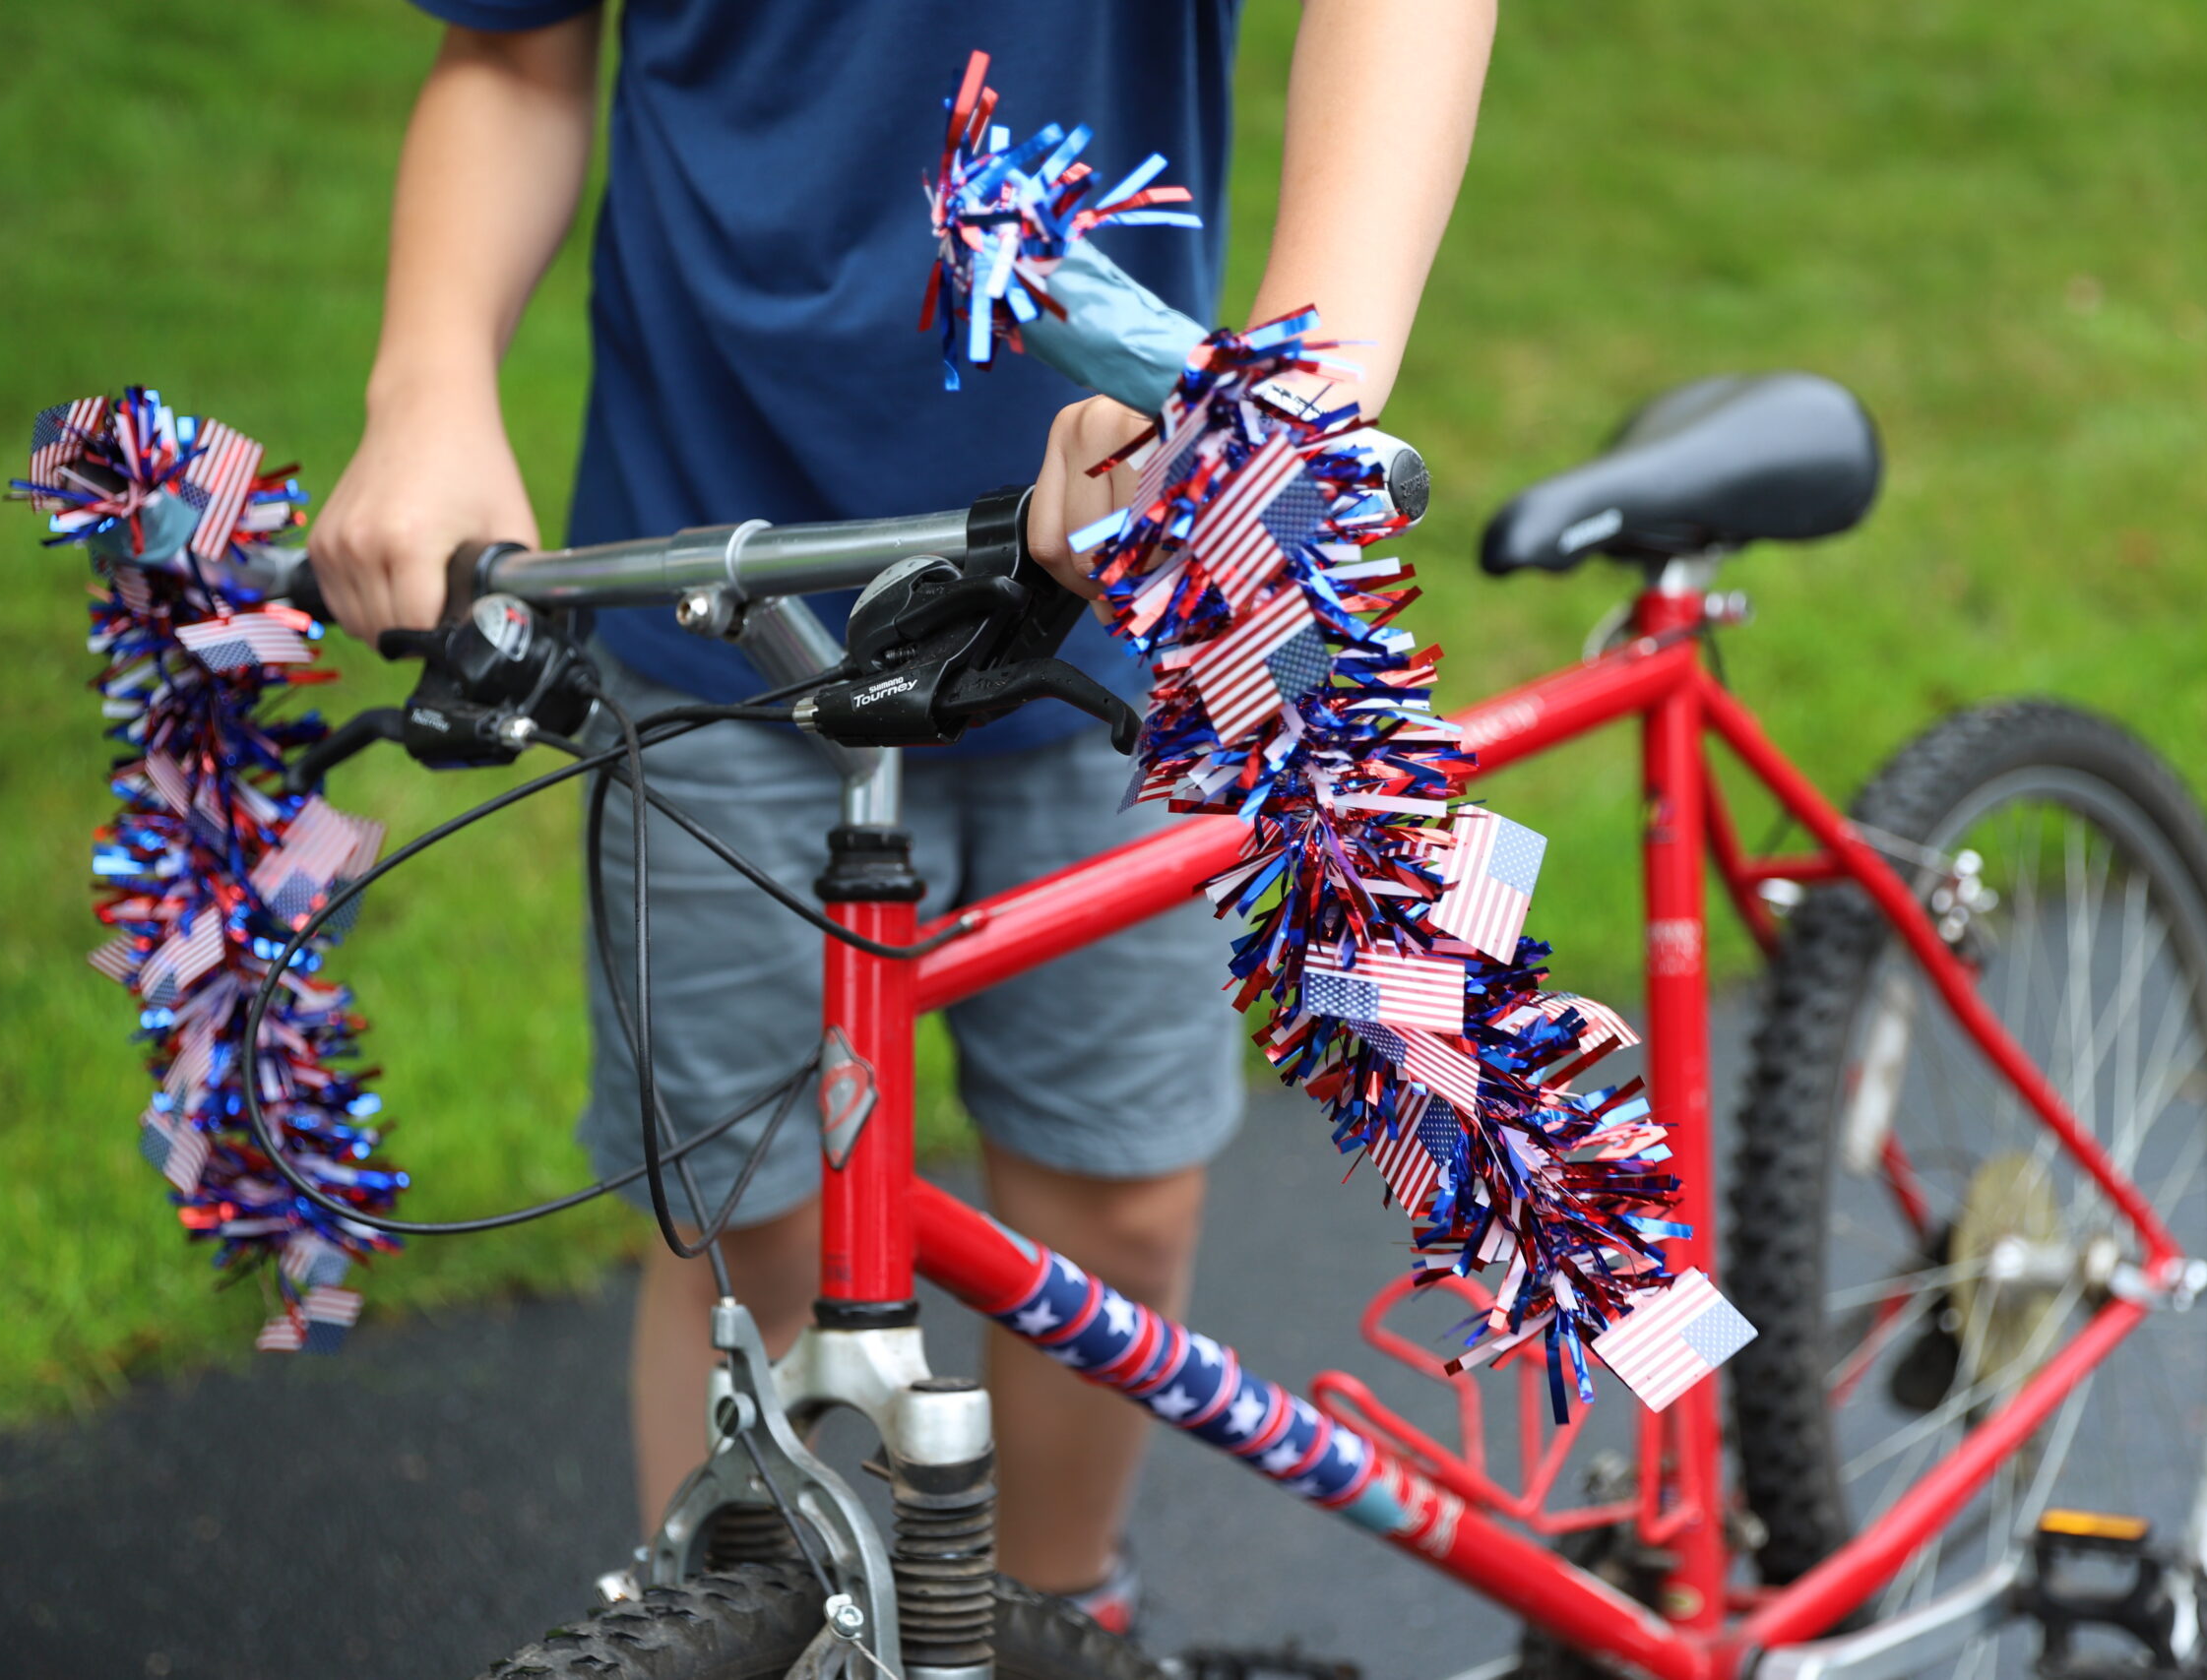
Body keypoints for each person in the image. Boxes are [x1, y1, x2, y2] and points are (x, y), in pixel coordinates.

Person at [308, 0, 1493, 1633]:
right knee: (739, 1229)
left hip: (1122, 575)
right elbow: (516, 50)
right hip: (715, 587)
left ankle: (1066, 1621)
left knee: (1117, 1213)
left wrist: (1278, 406)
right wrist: (427, 383)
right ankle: (738, 1642)